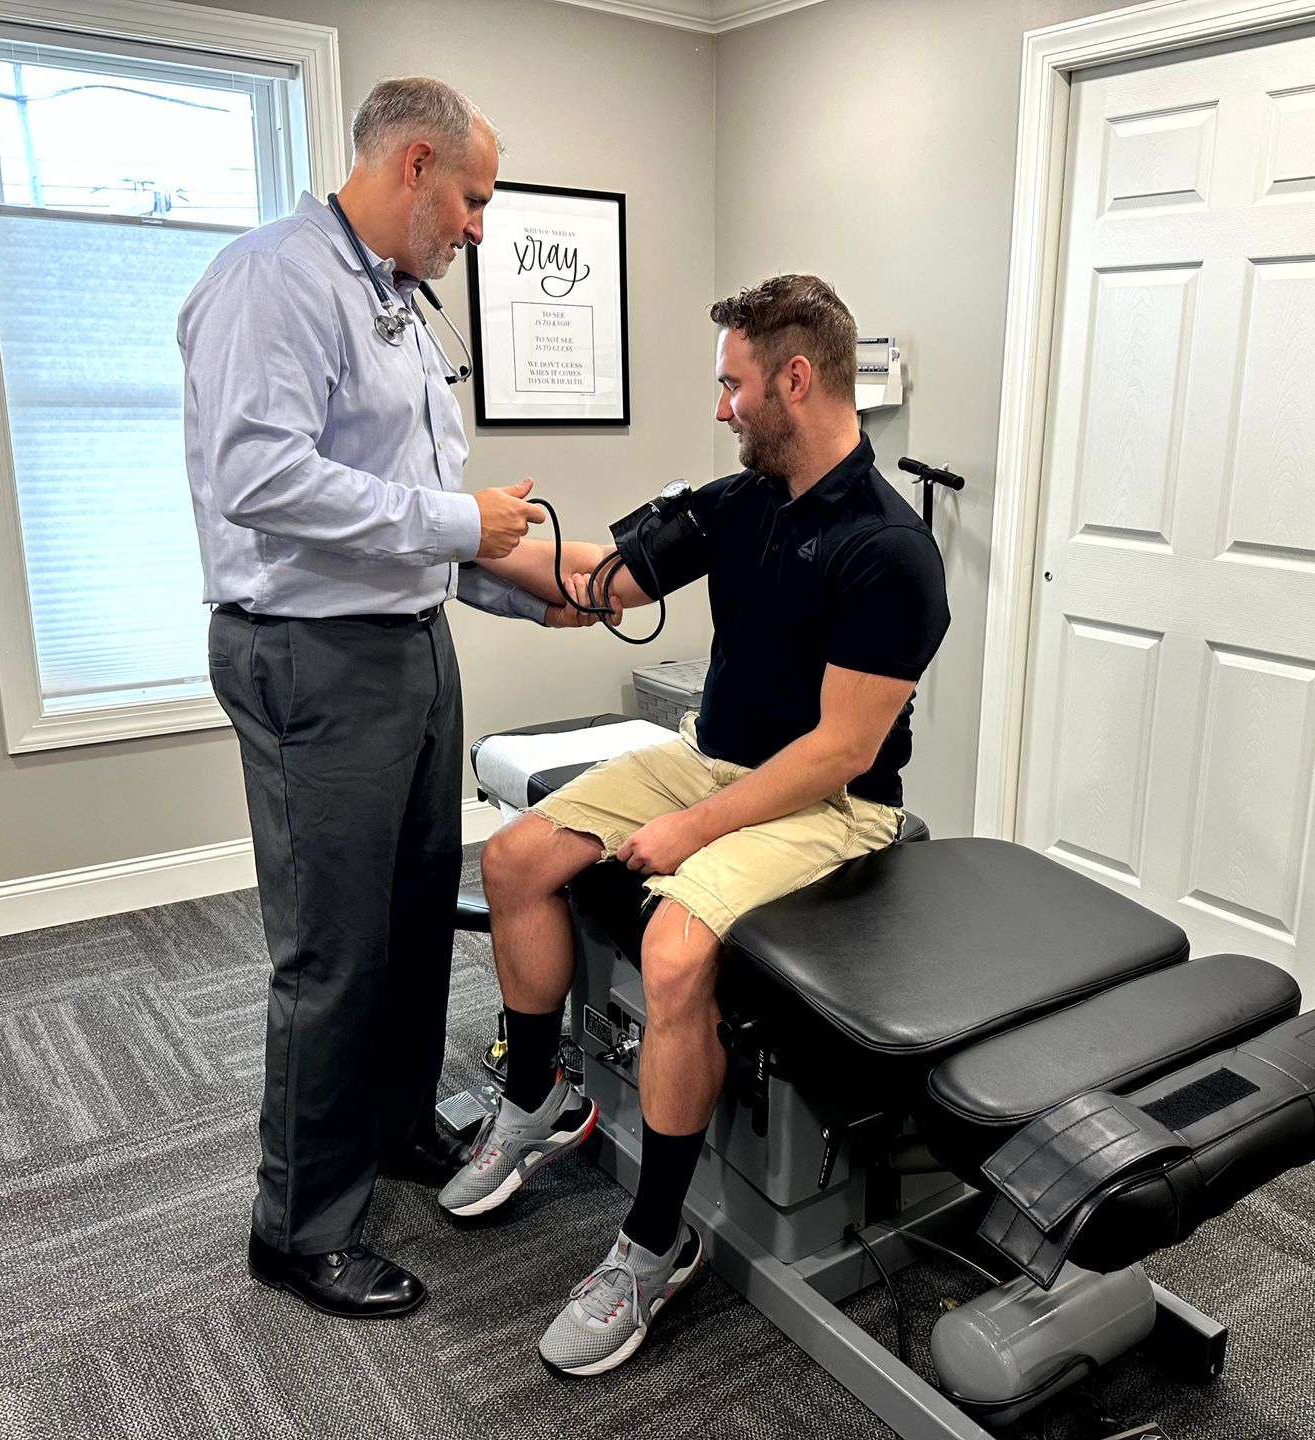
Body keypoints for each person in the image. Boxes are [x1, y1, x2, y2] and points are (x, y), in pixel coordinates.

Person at [446, 274, 952, 1376]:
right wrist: (452, 544)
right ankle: (537, 1099)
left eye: (733, 384)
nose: (721, 406)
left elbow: (841, 750)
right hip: (709, 758)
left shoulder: (890, 551)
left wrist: (694, 834)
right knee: (521, 855)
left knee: (676, 949)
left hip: (831, 807)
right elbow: (598, 581)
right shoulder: (742, 503)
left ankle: (653, 1241)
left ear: (795, 379)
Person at [179, 76, 604, 1321]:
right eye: (472, 198)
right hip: (311, 656)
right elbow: (259, 478)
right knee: (334, 950)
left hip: (406, 644)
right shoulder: (276, 280)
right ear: (415, 164)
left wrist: (542, 591)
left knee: (420, 912)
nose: (480, 226)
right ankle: (300, 1224)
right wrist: (459, 523)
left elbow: (418, 526)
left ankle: (402, 1123)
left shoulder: (404, 309)